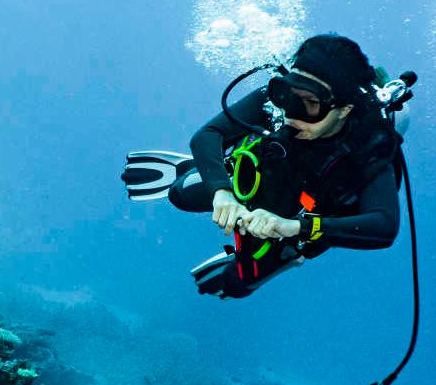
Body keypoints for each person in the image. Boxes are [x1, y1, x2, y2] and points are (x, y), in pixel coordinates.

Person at [124, 34, 405, 298]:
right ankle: (219, 168)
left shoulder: (369, 146)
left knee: (236, 285)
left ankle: (288, 257)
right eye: (288, 95)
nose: (291, 113)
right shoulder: (276, 100)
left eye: (309, 104)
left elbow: (384, 226)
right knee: (180, 194)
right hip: (261, 175)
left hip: (299, 222)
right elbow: (207, 135)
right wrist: (221, 191)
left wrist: (295, 227)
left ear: (344, 109)